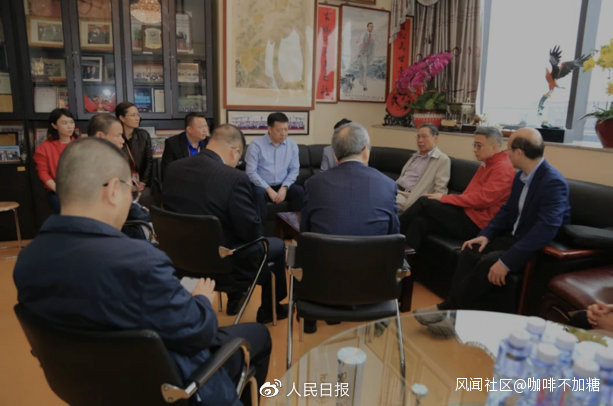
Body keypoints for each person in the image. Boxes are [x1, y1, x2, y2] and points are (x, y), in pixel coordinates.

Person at [13, 137, 271, 405]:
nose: (132, 199)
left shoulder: (28, 261)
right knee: (259, 336)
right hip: (169, 388)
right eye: (132, 191)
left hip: (90, 389)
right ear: (114, 189)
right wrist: (202, 299)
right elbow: (199, 332)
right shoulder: (139, 261)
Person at [416, 128, 571, 313]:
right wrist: (486, 235)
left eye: (509, 148)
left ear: (519, 152)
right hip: (511, 237)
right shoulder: (520, 177)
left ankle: (448, 311)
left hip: (532, 246)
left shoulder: (553, 182)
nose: (506, 152)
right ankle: (453, 310)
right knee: (470, 249)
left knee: (488, 261)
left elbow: (546, 229)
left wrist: (507, 262)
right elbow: (506, 211)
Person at [163, 124, 288, 324]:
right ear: (235, 152)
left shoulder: (173, 169)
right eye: (239, 158)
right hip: (224, 268)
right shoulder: (235, 178)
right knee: (277, 246)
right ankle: (271, 310)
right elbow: (252, 233)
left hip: (180, 262)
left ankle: (244, 299)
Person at [300, 122, 401, 333]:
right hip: (374, 287)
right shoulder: (388, 185)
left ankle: (310, 322)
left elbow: (305, 232)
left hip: (323, 287)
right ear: (366, 151)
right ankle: (379, 326)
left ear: (335, 155)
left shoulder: (314, 184)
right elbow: (393, 234)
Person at [400, 127, 515, 250]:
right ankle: (402, 257)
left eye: (479, 146)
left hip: (475, 223)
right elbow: (469, 194)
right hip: (466, 213)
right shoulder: (487, 163)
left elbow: (482, 200)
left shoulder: (503, 168)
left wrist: (444, 198)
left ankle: (390, 230)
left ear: (494, 147)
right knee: (420, 222)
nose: (475, 150)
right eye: (474, 145)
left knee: (425, 202)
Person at [87, 113, 153, 241]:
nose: (122, 140)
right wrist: (143, 212)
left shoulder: (89, 156)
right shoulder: (101, 163)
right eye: (118, 135)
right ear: (100, 136)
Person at [245, 112, 304, 216]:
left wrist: (284, 188)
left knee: (299, 191)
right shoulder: (255, 146)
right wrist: (268, 189)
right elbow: (251, 172)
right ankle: (260, 227)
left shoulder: (292, 145)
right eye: (279, 130)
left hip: (283, 185)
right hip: (262, 186)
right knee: (258, 194)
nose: (283, 133)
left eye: (286, 129)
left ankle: (295, 225)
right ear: (269, 129)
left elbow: (294, 170)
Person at [396, 123, 450, 214]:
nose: (420, 140)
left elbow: (440, 190)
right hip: (395, 189)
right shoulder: (416, 155)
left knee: (378, 202)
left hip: (408, 197)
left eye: (424, 137)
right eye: (418, 137)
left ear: (435, 138)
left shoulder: (442, 159)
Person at [33, 108, 78, 213]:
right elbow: (43, 173)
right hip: (58, 191)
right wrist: (59, 190)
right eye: (64, 123)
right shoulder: (44, 148)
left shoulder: (80, 143)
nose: (70, 126)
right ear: (54, 125)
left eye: (71, 122)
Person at [116, 101, 152, 205]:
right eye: (133, 115)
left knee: (146, 198)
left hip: (140, 182)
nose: (138, 118)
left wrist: (143, 182)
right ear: (122, 118)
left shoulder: (144, 135)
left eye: (138, 115)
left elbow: (148, 161)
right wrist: (126, 184)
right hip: (121, 184)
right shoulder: (115, 137)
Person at [161, 112, 210, 178]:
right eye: (201, 127)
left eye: (206, 126)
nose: (205, 130)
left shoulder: (209, 142)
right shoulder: (173, 144)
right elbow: (167, 172)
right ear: (189, 129)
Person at [357, 22, 375, 91]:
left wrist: (371, 56)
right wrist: (359, 52)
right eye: (370, 26)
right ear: (367, 27)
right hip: (362, 54)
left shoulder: (372, 36)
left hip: (367, 55)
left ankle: (363, 83)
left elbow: (372, 46)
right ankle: (362, 83)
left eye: (372, 27)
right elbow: (361, 44)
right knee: (362, 68)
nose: (371, 28)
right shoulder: (364, 34)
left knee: (364, 69)